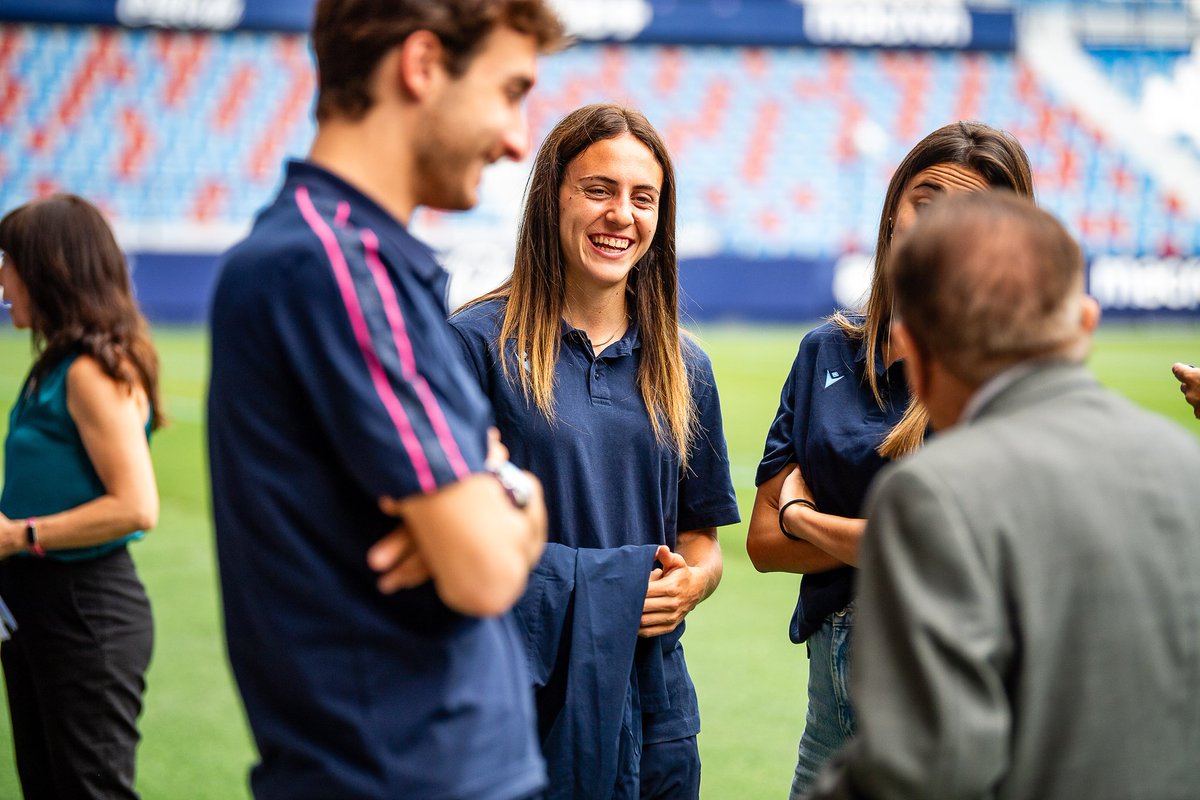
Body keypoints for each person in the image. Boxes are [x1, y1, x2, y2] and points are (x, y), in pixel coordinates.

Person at [207, 2, 565, 798]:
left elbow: (477, 535)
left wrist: (494, 492)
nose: (516, 138)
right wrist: (506, 491)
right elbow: (482, 572)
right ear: (422, 64)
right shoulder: (335, 263)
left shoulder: (350, 256)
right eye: (509, 91)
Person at [809, 190, 1200, 800]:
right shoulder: (1184, 465)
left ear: (913, 349)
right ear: (1086, 322)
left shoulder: (934, 494)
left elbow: (926, 766)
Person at [448, 103, 740, 799]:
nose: (622, 216)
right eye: (598, 189)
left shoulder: (685, 368)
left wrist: (691, 583)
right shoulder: (474, 346)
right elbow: (444, 536)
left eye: (643, 198)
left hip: (654, 704)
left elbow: (700, 538)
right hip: (518, 696)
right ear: (553, 197)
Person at [745, 121, 1035, 798]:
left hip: (946, 693)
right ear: (893, 211)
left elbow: (943, 549)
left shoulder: (1008, 371)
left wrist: (804, 515)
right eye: (924, 199)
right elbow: (761, 545)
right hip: (831, 713)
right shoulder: (825, 350)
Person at [0, 194, 162, 799]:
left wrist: (20, 535)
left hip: (84, 610)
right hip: (40, 606)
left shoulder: (91, 371)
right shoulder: (56, 364)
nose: (2, 279)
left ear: (48, 268)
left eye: (8, 261)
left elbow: (136, 505)